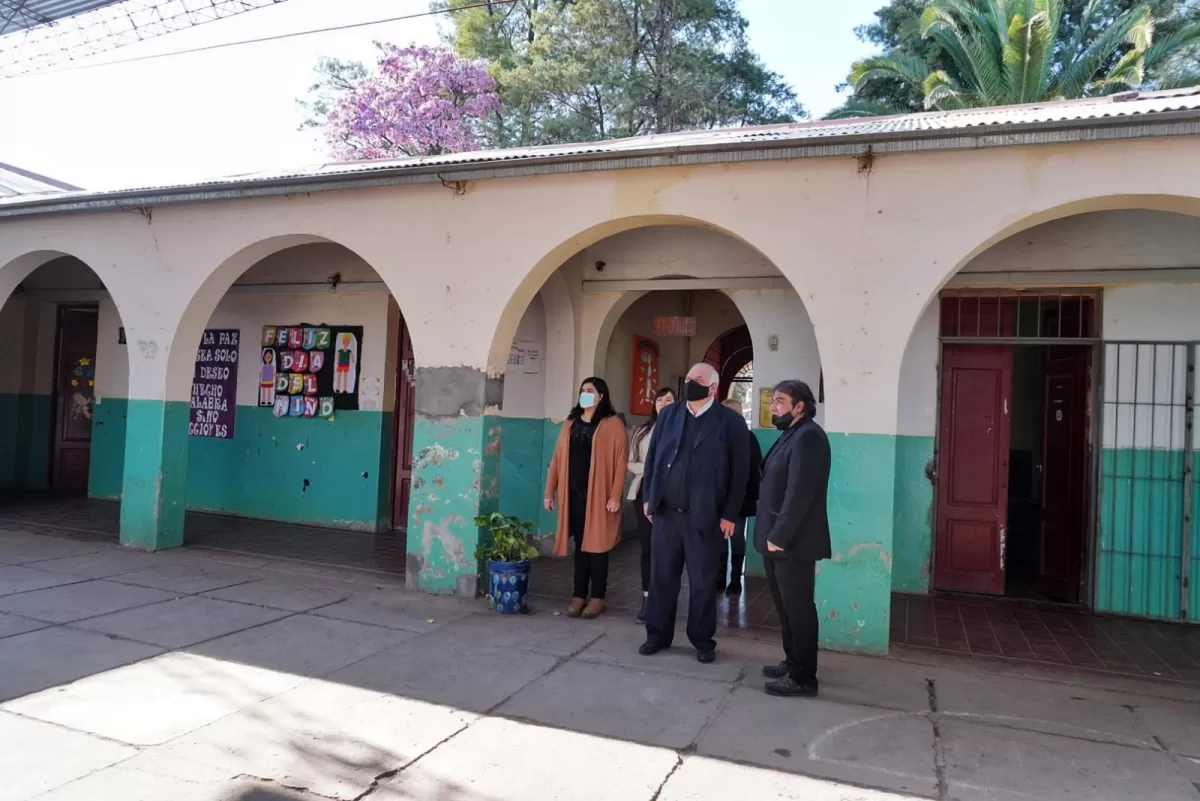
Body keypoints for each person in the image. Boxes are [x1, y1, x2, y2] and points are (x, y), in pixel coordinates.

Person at [640, 363, 749, 663]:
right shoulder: (669, 415)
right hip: (666, 514)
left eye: (697, 380)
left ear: (713, 388)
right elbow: (653, 459)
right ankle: (657, 635)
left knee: (702, 583)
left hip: (706, 518)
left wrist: (729, 514)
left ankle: (702, 641)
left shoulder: (729, 422)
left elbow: (740, 474)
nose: (690, 383)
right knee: (662, 578)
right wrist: (649, 496)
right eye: (688, 378)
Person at [755, 379, 831, 698]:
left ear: (800, 406)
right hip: (779, 541)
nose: (773, 406)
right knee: (786, 607)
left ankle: (803, 677)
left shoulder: (809, 437)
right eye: (773, 400)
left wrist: (780, 535)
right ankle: (792, 661)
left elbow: (800, 493)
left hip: (792, 543)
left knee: (799, 608)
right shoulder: (792, 434)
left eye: (780, 401)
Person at [545, 377, 629, 619]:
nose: (585, 394)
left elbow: (620, 463)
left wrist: (615, 496)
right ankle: (578, 595)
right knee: (581, 547)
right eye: (583, 390)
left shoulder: (612, 425)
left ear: (601, 396)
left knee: (598, 548)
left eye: (590, 391)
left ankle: (598, 598)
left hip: (600, 497)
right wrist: (549, 492)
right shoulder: (570, 423)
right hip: (573, 495)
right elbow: (557, 461)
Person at [628, 387, 677, 623]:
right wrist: (650, 470)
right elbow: (631, 461)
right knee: (647, 548)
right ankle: (647, 599)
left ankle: (665, 600)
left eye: (670, 400)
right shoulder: (642, 431)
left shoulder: (682, 429)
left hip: (672, 495)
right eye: (660, 399)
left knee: (667, 551)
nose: (664, 403)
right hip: (642, 490)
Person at [718, 398, 762, 597]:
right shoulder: (716, 435)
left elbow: (755, 471)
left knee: (735, 536)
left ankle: (735, 579)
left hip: (739, 498)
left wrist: (753, 497)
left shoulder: (748, 437)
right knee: (718, 538)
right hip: (717, 498)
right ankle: (719, 577)